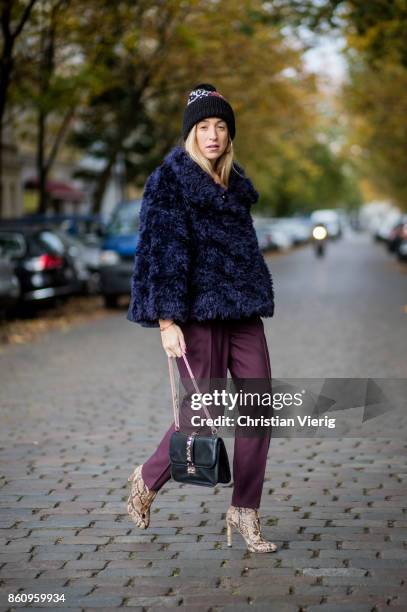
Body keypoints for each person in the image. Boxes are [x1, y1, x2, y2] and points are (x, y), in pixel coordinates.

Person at [125, 83, 277, 553]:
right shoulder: (169, 180)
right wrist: (166, 322)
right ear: (191, 133)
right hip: (195, 314)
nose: (213, 134)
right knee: (202, 413)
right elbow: (159, 252)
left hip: (244, 311)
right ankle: (147, 479)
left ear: (229, 135)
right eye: (204, 126)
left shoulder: (235, 183)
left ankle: (244, 510)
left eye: (221, 126)